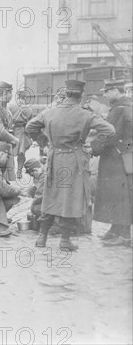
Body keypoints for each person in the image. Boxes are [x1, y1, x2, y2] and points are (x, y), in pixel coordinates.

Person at [26, 80, 115, 251]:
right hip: (74, 160)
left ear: (66, 94)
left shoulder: (49, 111)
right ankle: (65, 241)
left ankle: (41, 238)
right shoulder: (85, 114)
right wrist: (93, 143)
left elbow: (31, 126)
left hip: (53, 159)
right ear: (81, 96)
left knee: (50, 196)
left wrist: (44, 142)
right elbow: (110, 130)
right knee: (70, 199)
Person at [92, 79, 132, 247]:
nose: (104, 95)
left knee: (118, 196)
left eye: (107, 91)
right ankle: (116, 229)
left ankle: (123, 235)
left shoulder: (119, 109)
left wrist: (93, 148)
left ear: (115, 90)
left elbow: (110, 135)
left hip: (115, 159)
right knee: (122, 195)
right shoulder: (128, 106)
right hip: (125, 157)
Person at [8, 89, 34, 178]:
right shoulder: (28, 109)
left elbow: (7, 119)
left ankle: (14, 172)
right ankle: (18, 171)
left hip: (14, 131)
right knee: (21, 153)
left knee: (11, 152)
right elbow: (31, 122)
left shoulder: (12, 107)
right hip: (23, 131)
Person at [22, 157, 46, 227]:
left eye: (31, 174)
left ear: (35, 170)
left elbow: (40, 194)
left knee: (35, 209)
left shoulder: (45, 175)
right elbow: (38, 187)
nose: (32, 176)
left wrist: (33, 206)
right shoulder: (40, 173)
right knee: (31, 190)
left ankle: (54, 223)